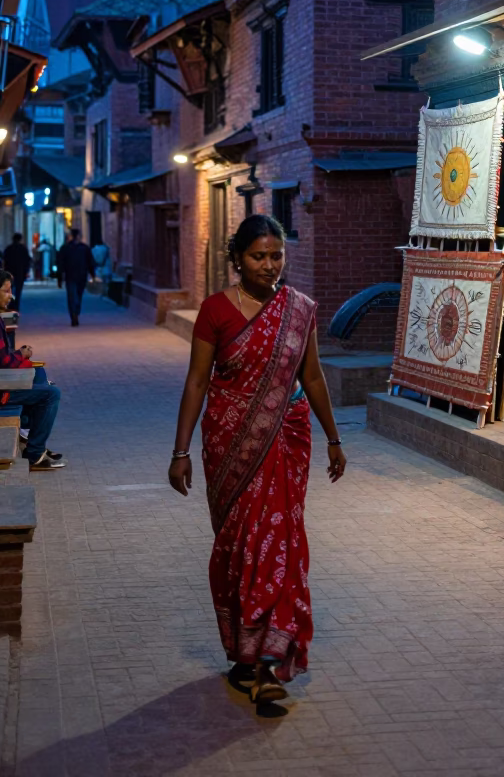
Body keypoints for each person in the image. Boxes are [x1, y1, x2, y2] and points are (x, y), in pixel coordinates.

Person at [168, 215, 346, 712]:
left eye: (276, 256)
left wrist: (334, 437)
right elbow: (197, 382)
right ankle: (244, 656)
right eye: (258, 257)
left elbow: (312, 377)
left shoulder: (300, 309)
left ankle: (268, 663)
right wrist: (180, 452)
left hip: (285, 439)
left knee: (277, 545)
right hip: (229, 445)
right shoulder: (215, 312)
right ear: (237, 259)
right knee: (238, 547)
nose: (269, 266)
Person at [0, 268, 66, 471]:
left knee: (39, 375)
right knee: (51, 394)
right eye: (6, 291)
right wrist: (21, 355)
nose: (11, 296)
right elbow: (0, 364)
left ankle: (28, 436)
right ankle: (34, 454)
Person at [57, 228, 95, 326]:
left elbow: (60, 264)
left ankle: (74, 313)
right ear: (78, 236)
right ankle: (75, 313)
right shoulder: (84, 248)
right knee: (78, 295)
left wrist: (60, 278)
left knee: (72, 296)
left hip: (71, 276)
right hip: (81, 276)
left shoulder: (65, 248)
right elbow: (90, 263)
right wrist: (93, 275)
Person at [3, 233, 32, 311]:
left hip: (10, 272)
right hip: (20, 273)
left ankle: (10, 305)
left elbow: (5, 260)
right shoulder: (23, 249)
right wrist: (26, 271)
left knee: (10, 289)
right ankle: (16, 306)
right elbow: (27, 261)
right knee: (18, 290)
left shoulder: (9, 248)